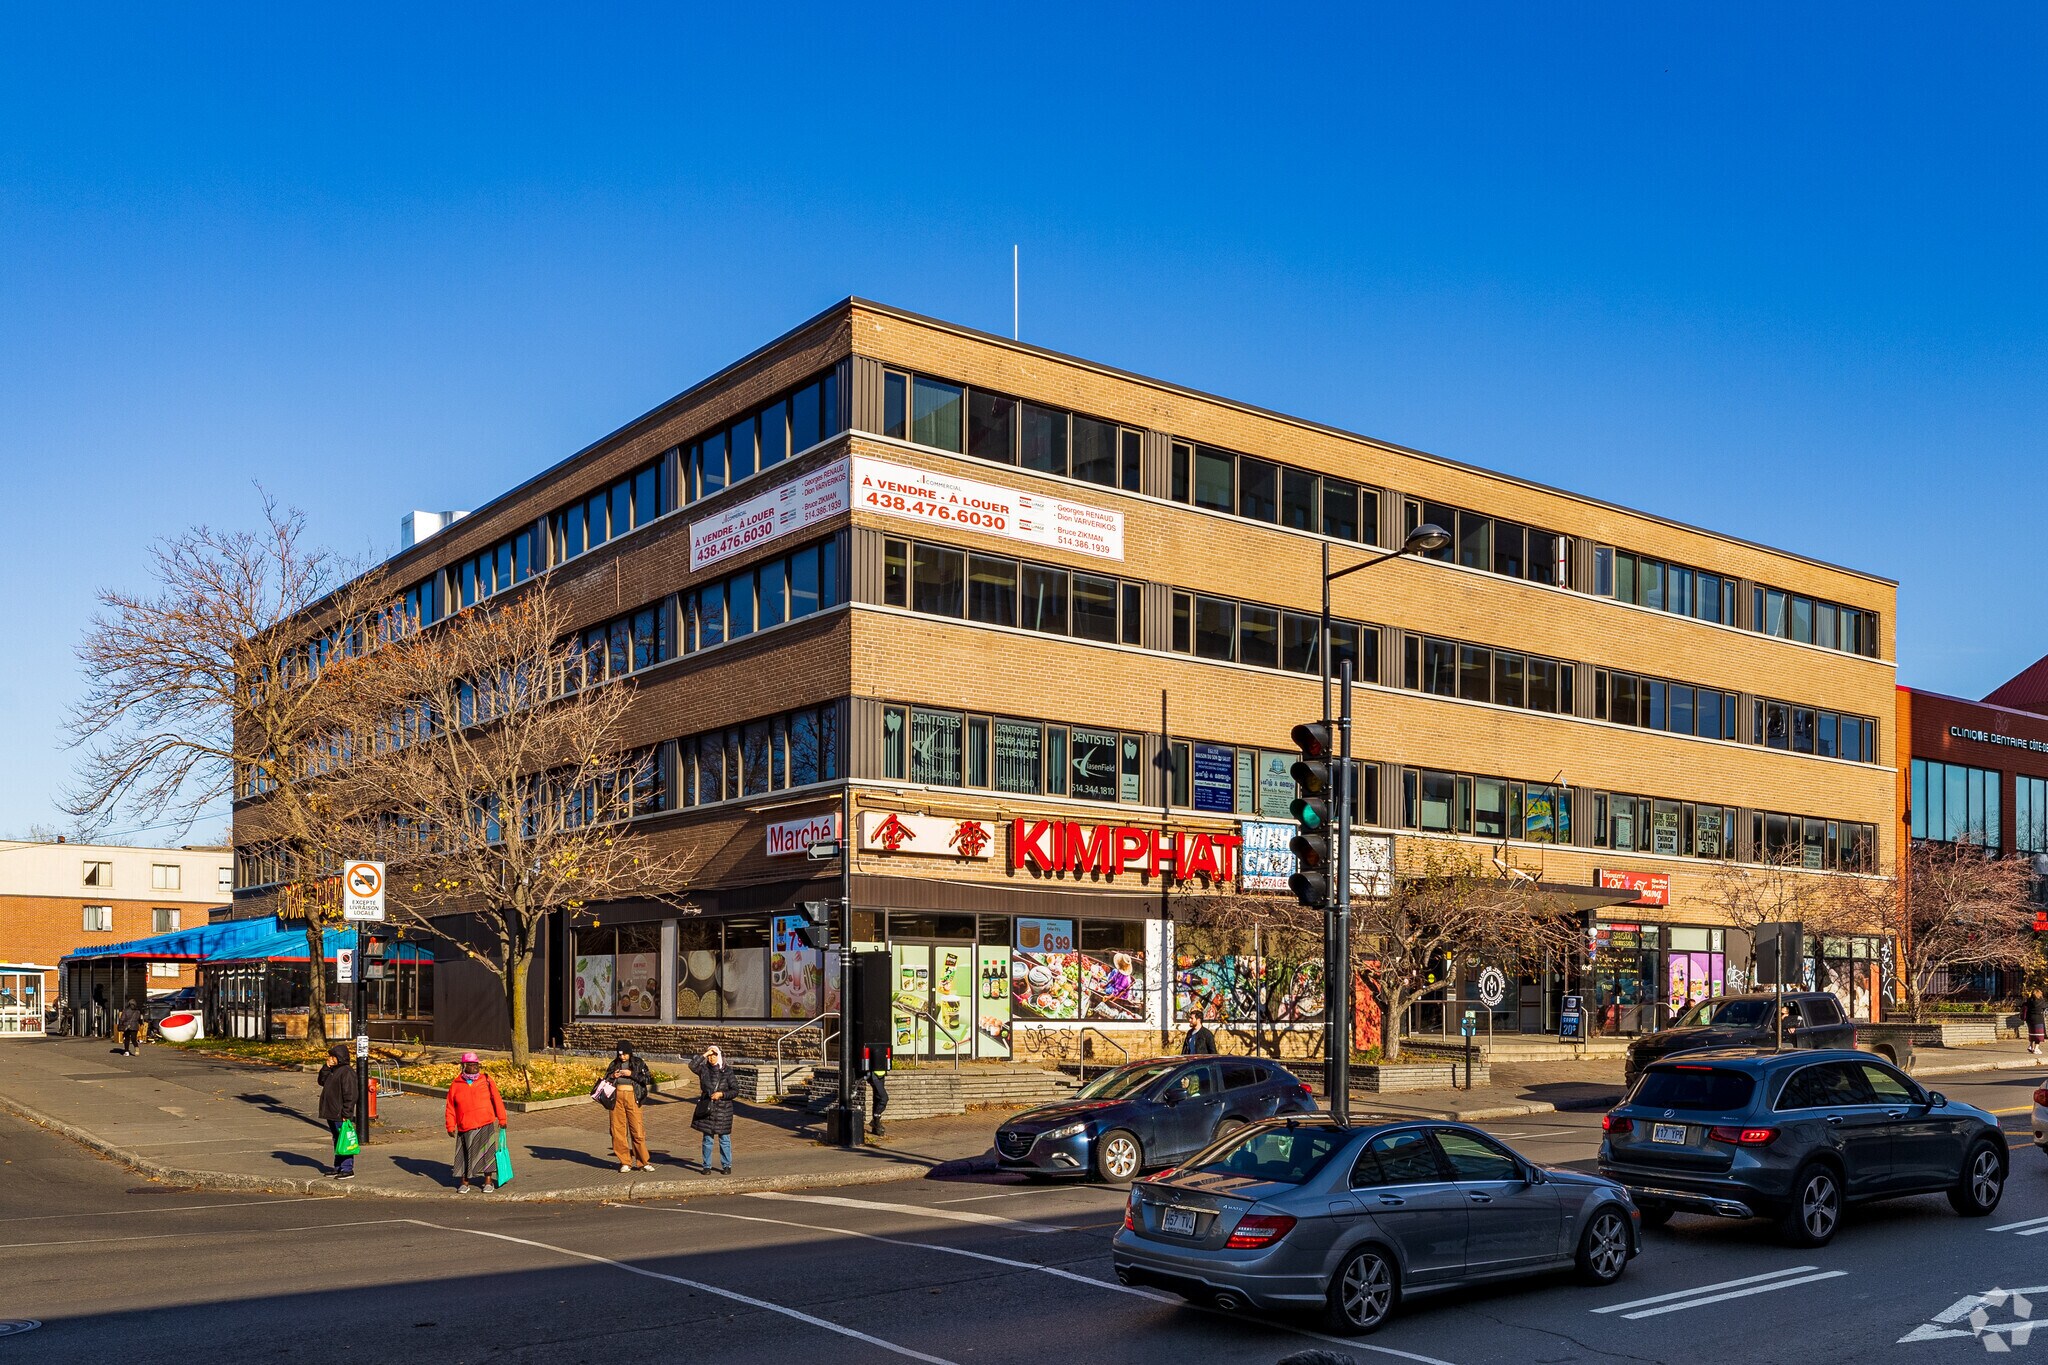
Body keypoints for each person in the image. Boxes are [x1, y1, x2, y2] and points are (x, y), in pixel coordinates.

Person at [443, 1052, 508, 1194]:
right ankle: (465, 1183)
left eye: (477, 1065)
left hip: (485, 1123)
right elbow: (450, 1107)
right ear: (464, 1066)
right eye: (471, 1065)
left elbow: (497, 1100)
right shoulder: (456, 1084)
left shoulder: (486, 1080)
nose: (475, 1068)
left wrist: (502, 1119)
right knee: (465, 1155)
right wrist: (450, 1125)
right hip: (465, 1125)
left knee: (487, 1154)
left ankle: (488, 1182)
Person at [604, 1043, 655, 1172]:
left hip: (633, 1096)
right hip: (617, 1098)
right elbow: (606, 1079)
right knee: (617, 1130)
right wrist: (612, 1076)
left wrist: (631, 1074)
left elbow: (648, 1078)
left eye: (625, 1054)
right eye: (620, 1054)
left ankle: (643, 1161)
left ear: (630, 1053)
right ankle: (625, 1162)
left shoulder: (638, 1062)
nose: (622, 1057)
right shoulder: (614, 1063)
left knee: (637, 1130)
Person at [689, 1045, 736, 1175]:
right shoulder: (703, 1069)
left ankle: (726, 1165)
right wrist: (704, 1054)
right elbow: (692, 1066)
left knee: (724, 1139)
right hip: (707, 1109)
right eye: (710, 1055)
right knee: (707, 1140)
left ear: (719, 1056)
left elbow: (735, 1090)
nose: (711, 1058)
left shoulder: (727, 1071)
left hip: (723, 1111)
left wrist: (722, 1094)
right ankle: (707, 1166)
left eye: (714, 1055)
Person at [317, 1043, 357, 1180]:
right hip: (332, 1112)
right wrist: (326, 1067)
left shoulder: (347, 1072)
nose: (330, 1059)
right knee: (337, 1140)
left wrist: (347, 1113)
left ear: (339, 1057)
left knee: (344, 1139)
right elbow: (322, 1080)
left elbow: (350, 1095)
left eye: (333, 1057)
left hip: (340, 1113)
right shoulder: (334, 1070)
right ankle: (338, 1167)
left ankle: (347, 1168)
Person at [2025, 993, 2045, 1057]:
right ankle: (2036, 1048)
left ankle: (2031, 1046)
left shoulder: (2028, 1001)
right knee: (2038, 1035)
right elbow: (2044, 1006)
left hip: (2030, 1019)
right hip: (2038, 1020)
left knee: (2032, 1033)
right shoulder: (2041, 1002)